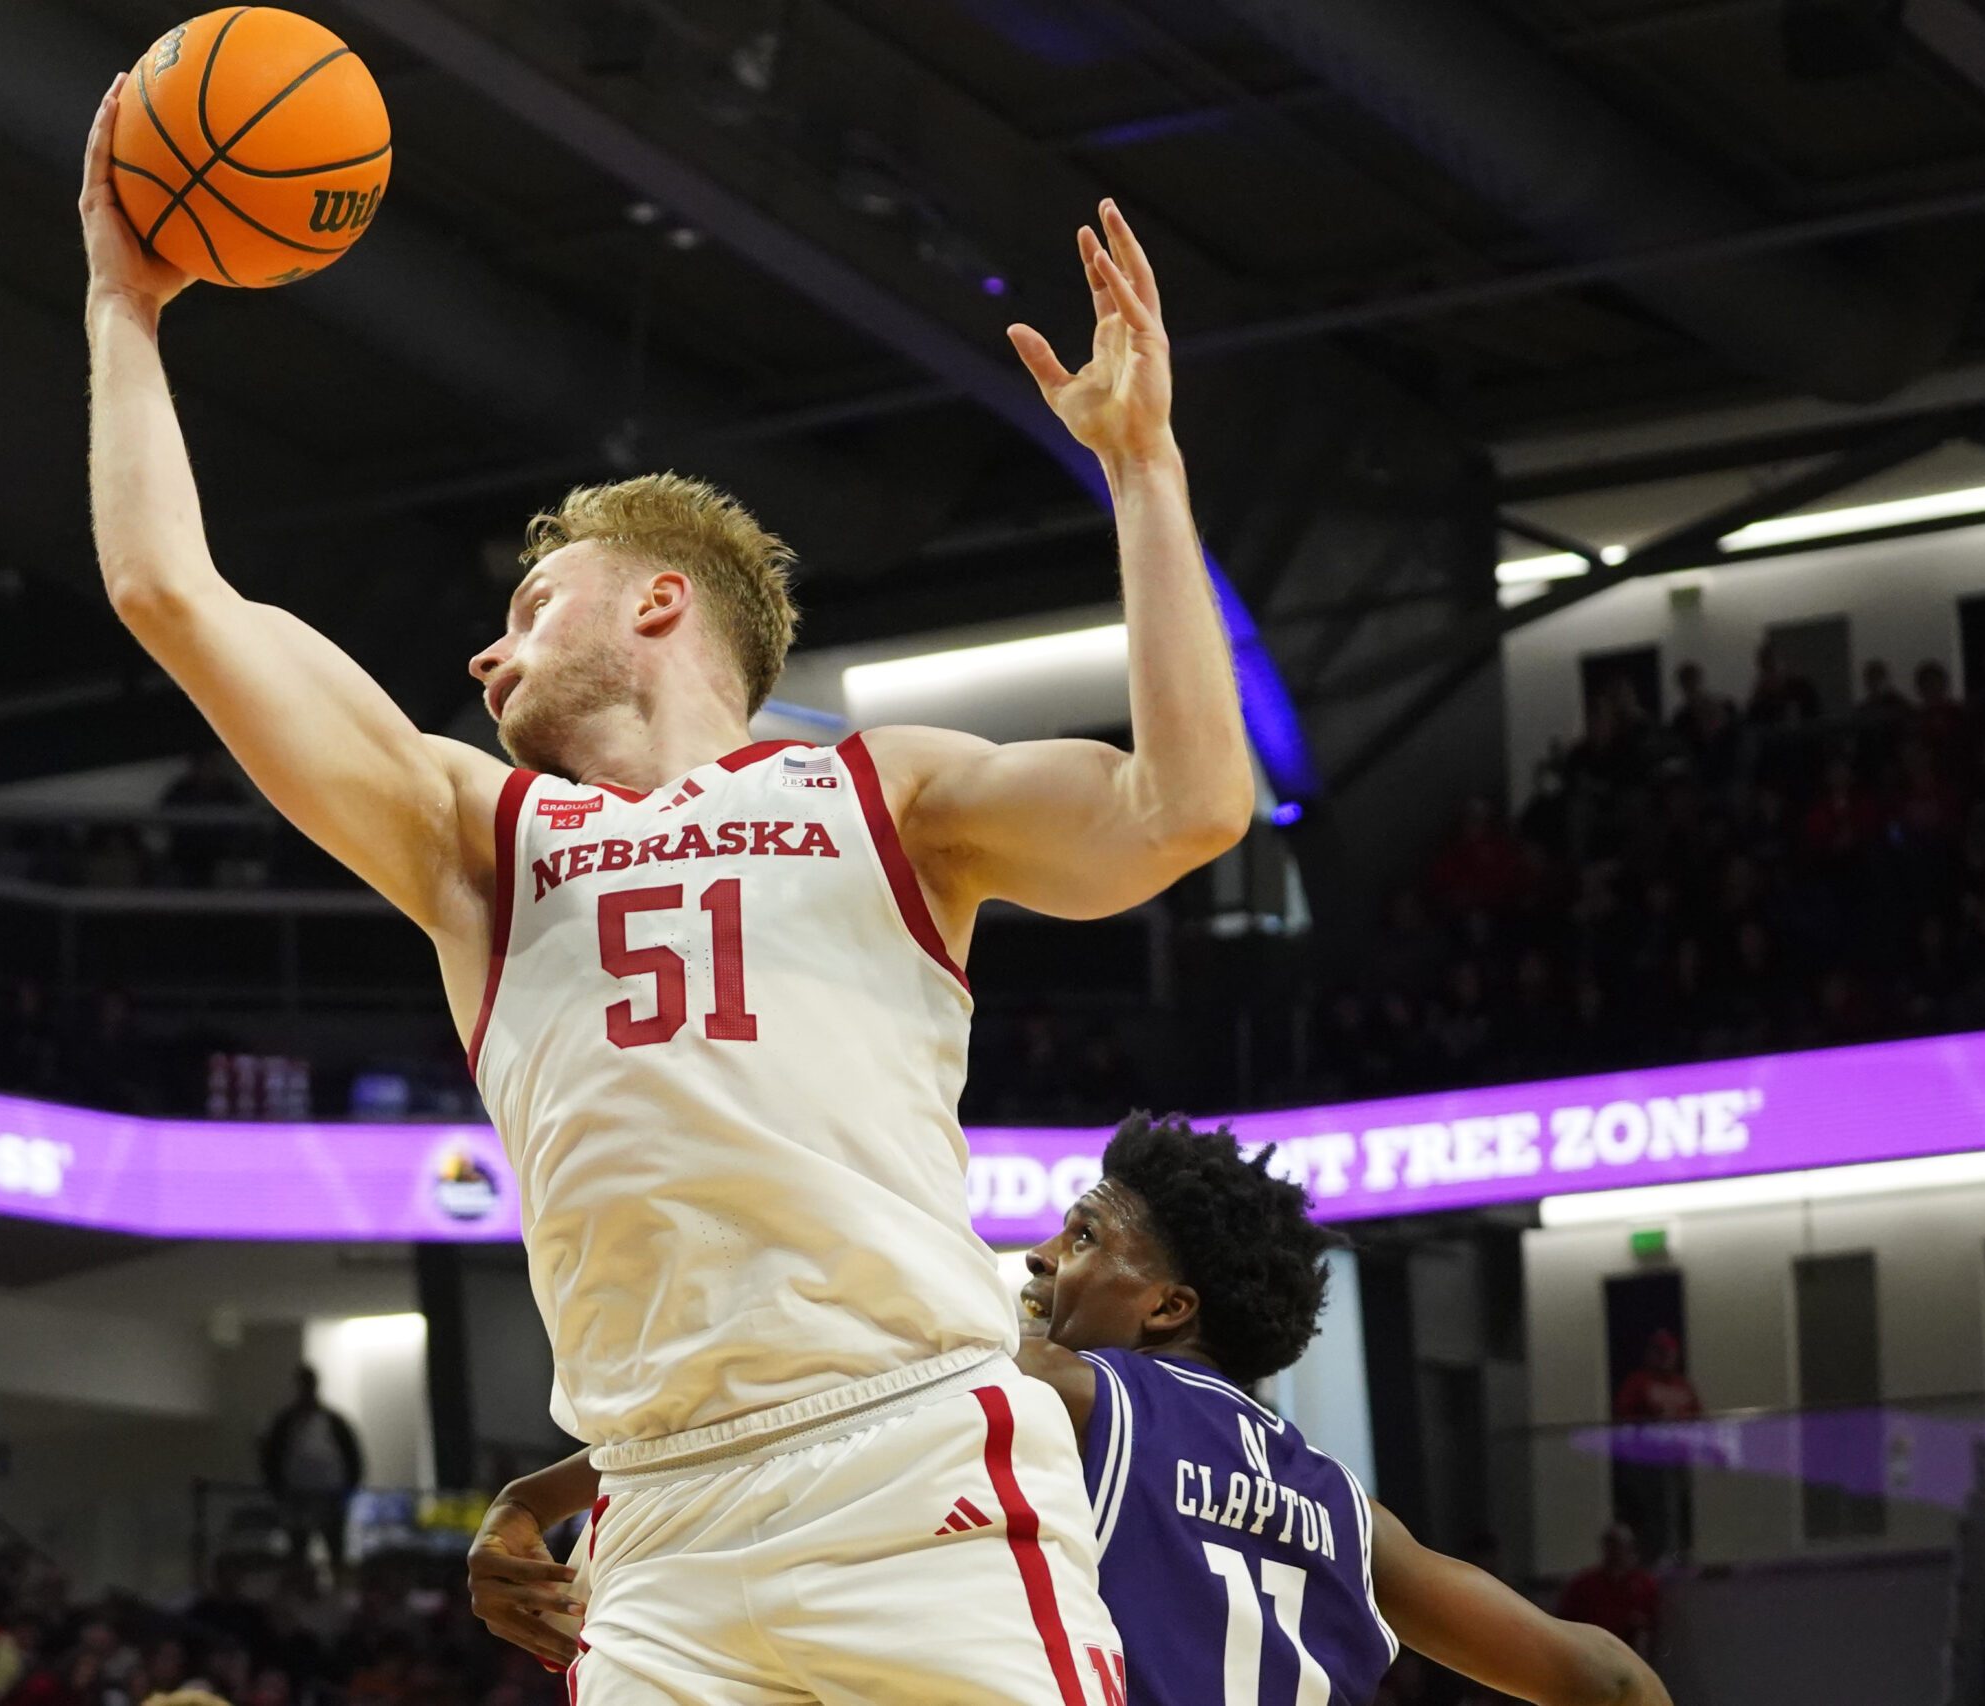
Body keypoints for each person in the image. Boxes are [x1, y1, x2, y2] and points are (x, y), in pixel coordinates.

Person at [84, 69, 1251, 1697]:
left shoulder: (882, 789)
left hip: (912, 1459)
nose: (488, 647)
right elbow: (165, 592)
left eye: (534, 598)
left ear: (655, 605)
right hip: (662, 1535)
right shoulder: (473, 843)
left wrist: (1143, 472)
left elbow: (1186, 807)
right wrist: (123, 306)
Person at [473, 1116, 1670, 1706]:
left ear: (1167, 1304)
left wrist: (534, 1496)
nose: (1044, 1256)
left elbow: (802, 1381)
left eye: (1086, 1232)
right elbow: (1606, 1680)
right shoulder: (1346, 1509)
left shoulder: (1063, 1390)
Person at [257, 1370, 362, 1580]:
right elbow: (270, 1457)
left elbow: (353, 1456)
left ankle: (337, 1594)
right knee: (298, 1550)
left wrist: (347, 1492)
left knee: (335, 1550)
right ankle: (300, 1593)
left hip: (330, 1497)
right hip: (296, 1497)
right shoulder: (286, 1422)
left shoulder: (333, 1421)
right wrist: (278, 1491)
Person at [1612, 1331, 1702, 1564]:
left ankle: (1677, 1552)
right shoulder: (1637, 1382)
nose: (1664, 1358)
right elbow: (1624, 1415)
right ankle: (1655, 1556)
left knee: (1677, 1506)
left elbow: (1697, 1415)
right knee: (1655, 1509)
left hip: (1679, 1456)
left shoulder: (1682, 1384)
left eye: (1668, 1353)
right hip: (1648, 1458)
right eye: (1658, 1352)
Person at [1555, 1525, 1662, 1658]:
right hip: (1591, 1652)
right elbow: (1565, 1621)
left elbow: (1650, 1624)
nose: (1616, 1551)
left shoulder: (1643, 1584)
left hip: (1628, 1653)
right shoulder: (1584, 1584)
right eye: (1612, 1545)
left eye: (1620, 1546)